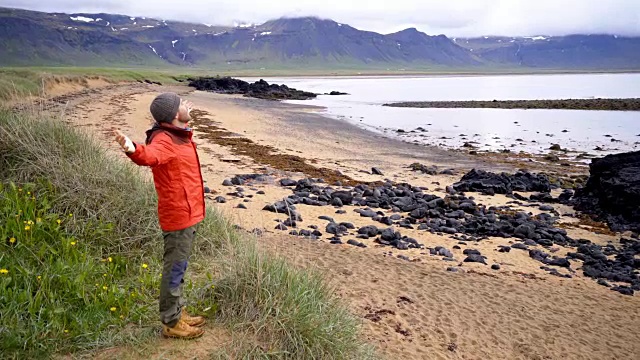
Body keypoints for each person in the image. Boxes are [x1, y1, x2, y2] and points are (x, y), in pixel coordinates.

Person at [114, 92, 206, 339]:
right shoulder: (166, 139)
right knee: (174, 268)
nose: (187, 104)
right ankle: (171, 322)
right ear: (175, 114)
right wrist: (132, 149)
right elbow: (149, 155)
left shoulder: (179, 135)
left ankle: (176, 311)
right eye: (182, 103)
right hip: (178, 216)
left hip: (189, 213)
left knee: (180, 265)